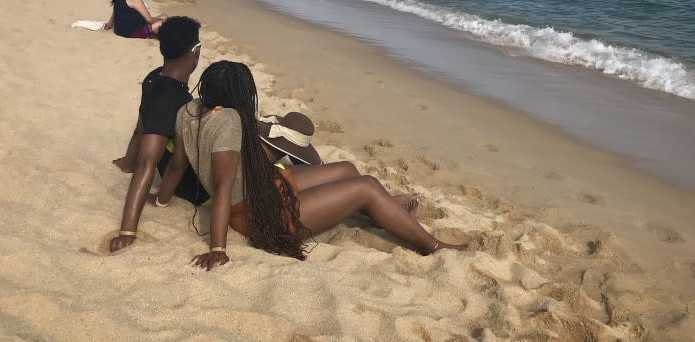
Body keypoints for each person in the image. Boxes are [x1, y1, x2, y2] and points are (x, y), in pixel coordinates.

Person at [148, 61, 466, 269]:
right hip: (262, 215)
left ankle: (382, 212)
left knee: (346, 170)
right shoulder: (229, 122)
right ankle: (433, 246)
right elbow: (222, 190)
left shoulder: (190, 112)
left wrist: (161, 199)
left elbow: (176, 165)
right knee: (366, 185)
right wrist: (218, 248)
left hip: (265, 187)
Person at [109, 17, 205, 253]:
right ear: (196, 51)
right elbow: (148, 163)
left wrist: (126, 162)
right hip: (194, 185)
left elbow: (141, 126)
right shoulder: (172, 100)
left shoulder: (155, 77)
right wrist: (127, 232)